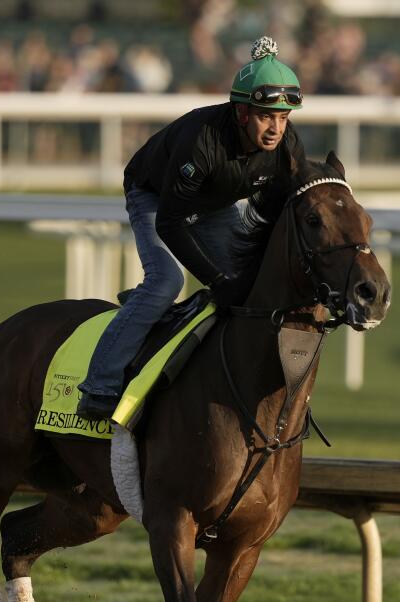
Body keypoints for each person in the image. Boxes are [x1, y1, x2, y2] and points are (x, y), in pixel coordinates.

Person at [76, 36, 306, 420]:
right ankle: (100, 384)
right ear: (242, 113)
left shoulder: (286, 146)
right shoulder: (202, 140)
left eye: (283, 118)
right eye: (267, 116)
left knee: (249, 282)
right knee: (166, 282)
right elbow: (170, 221)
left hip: (214, 203)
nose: (275, 129)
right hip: (155, 196)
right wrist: (215, 279)